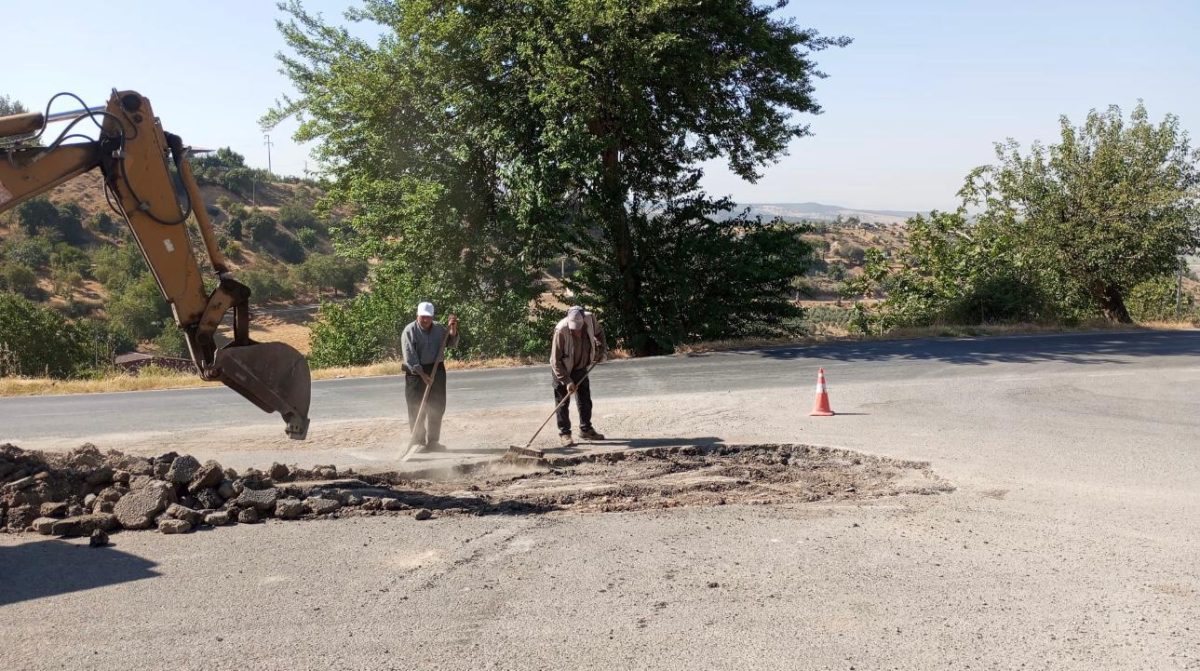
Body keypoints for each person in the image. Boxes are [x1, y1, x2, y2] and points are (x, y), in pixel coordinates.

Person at [401, 301, 459, 451]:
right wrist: (423, 375)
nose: (425, 320)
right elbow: (410, 357)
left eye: (428, 317)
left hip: (436, 370)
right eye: (422, 317)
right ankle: (418, 442)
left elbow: (451, 343)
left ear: (432, 317)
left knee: (437, 406)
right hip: (415, 373)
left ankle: (433, 442)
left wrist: (452, 329)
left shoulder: (440, 329)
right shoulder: (409, 331)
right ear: (417, 316)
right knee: (416, 408)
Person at [550, 306, 607, 447]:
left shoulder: (590, 319)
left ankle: (586, 429)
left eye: (579, 327)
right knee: (562, 402)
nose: (576, 331)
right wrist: (567, 381)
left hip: (581, 367)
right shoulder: (561, 330)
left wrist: (601, 351)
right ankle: (565, 433)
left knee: (585, 400)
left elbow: (600, 334)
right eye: (573, 328)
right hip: (562, 369)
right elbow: (555, 360)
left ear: (583, 321)